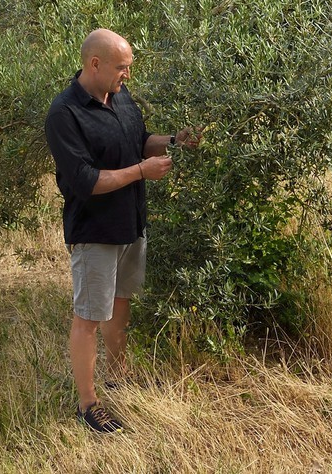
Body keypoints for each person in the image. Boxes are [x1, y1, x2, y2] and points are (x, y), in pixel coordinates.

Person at [42, 27, 200, 434]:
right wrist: (142, 173)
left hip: (131, 221)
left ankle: (120, 376)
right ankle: (88, 404)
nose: (127, 75)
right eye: (122, 67)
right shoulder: (64, 114)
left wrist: (173, 141)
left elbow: (139, 139)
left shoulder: (121, 96)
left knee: (121, 302)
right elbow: (87, 180)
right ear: (95, 64)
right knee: (89, 317)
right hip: (95, 229)